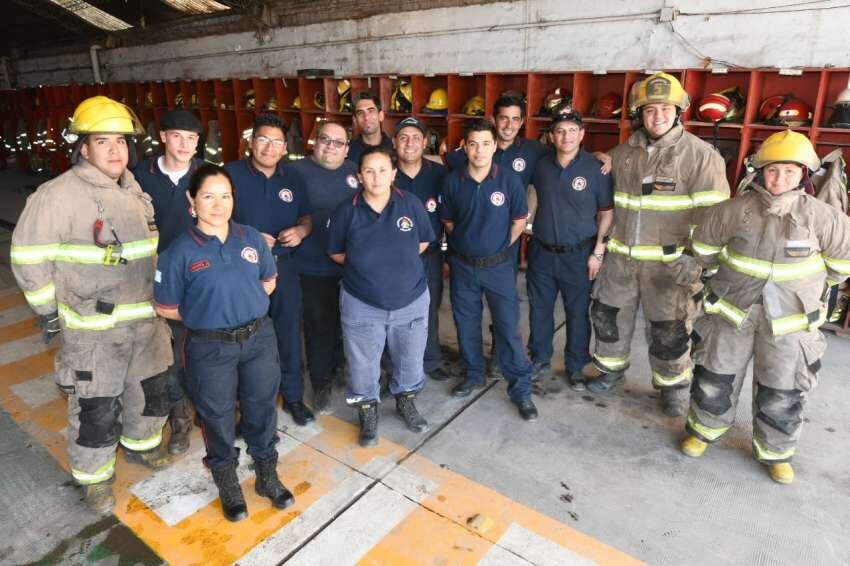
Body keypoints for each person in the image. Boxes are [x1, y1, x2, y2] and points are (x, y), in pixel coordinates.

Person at [10, 96, 173, 514]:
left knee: (149, 394)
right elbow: (29, 257)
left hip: (145, 321)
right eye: (103, 142)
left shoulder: (134, 190)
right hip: (93, 330)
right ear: (83, 148)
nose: (116, 151)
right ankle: (94, 478)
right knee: (97, 407)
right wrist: (49, 312)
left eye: (120, 141)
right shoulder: (57, 195)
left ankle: (141, 446)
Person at [681, 130, 850, 484]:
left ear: (803, 175)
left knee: (783, 388)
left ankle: (776, 452)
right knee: (715, 376)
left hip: (789, 324)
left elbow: (841, 266)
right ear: (759, 171)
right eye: (773, 170)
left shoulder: (825, 218)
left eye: (790, 171)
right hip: (730, 314)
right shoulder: (731, 211)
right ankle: (704, 431)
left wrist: (806, 292)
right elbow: (705, 251)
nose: (779, 179)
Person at [154, 164, 295, 521]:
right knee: (217, 416)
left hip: (258, 339)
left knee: (262, 407)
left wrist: (240, 307)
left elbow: (268, 282)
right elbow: (166, 307)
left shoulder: (250, 238)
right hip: (209, 347)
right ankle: (227, 480)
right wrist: (210, 316)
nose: (218, 205)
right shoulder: (179, 253)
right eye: (208, 196)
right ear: (192, 200)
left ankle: (266, 474)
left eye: (225, 196)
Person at [586, 72, 730, 417]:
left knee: (670, 332)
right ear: (640, 113)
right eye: (650, 110)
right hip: (620, 261)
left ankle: (673, 387)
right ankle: (611, 372)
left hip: (670, 268)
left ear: (678, 111)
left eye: (665, 108)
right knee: (609, 320)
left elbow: (716, 218)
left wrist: (697, 261)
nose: (658, 116)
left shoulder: (701, 156)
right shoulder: (623, 154)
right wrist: (598, 157)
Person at [328, 145, 435, 446]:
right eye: (369, 171)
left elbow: (424, 241)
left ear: (394, 174)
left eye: (383, 170)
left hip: (411, 299)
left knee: (410, 359)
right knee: (362, 365)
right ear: (359, 175)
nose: (376, 177)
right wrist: (368, 267)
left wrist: (395, 262)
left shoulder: (410, 204)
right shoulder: (346, 210)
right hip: (362, 302)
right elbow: (336, 251)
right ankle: (368, 413)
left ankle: (405, 402)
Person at [440, 119, 538, 421]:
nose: (479, 150)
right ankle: (473, 374)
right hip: (463, 267)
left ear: (495, 146)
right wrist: (469, 247)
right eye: (473, 144)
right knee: (466, 324)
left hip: (499, 269)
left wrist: (498, 249)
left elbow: (519, 221)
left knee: (508, 329)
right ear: (465, 147)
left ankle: (521, 388)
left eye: (486, 143)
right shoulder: (452, 181)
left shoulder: (509, 181)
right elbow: (449, 222)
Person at [225, 114, 314, 426]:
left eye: (276, 141)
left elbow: (307, 217)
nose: (269, 147)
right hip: (243, 275)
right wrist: (245, 235)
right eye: (263, 139)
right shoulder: (231, 174)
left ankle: (292, 397)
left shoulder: (292, 178)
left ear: (284, 147)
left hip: (284, 270)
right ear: (251, 143)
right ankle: (243, 408)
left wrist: (302, 232)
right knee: (243, 340)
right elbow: (212, 219)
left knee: (289, 335)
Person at [526, 108, 613, 390]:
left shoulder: (596, 168)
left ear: (582, 135)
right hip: (541, 251)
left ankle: (576, 365)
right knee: (540, 309)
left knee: (577, 312)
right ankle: (540, 358)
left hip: (578, 254)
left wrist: (598, 252)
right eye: (560, 131)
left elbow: (606, 213)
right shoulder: (540, 165)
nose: (566, 136)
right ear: (551, 136)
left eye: (572, 131)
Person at [134, 107, 203, 455]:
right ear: (163, 137)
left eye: (191, 138)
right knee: (167, 356)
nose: (185, 144)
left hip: (199, 278)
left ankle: (206, 408)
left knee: (204, 349)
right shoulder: (138, 176)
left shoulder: (205, 174)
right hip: (156, 279)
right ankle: (180, 423)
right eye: (177, 136)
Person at [291, 122, 360, 413]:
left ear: (346, 148)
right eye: (325, 140)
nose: (330, 146)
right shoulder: (295, 172)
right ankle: (321, 382)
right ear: (314, 142)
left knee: (351, 323)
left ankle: (344, 368)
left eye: (338, 142)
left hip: (352, 265)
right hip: (313, 266)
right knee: (319, 325)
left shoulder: (355, 171)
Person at [393, 116, 449, 382]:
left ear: (425, 142)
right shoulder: (387, 174)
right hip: (396, 259)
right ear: (394, 142)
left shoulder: (440, 174)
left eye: (416, 137)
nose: (410, 143)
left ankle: (431, 358)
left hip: (431, 255)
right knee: (394, 310)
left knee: (430, 308)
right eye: (403, 137)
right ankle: (395, 364)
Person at [347, 93, 393, 165]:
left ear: (381, 116)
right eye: (360, 113)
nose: (366, 117)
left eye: (371, 111)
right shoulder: (347, 151)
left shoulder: (394, 147)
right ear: (355, 120)